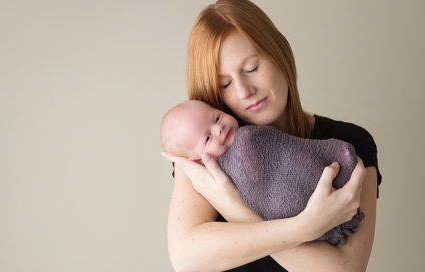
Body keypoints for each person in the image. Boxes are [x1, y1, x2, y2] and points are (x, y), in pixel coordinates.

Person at [161, 0, 382, 271]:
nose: (244, 92)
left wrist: (234, 209)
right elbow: (186, 257)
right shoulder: (206, 152)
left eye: (252, 68)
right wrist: (305, 227)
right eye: (225, 84)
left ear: (280, 52)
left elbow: (345, 269)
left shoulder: (351, 142)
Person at [160, 99, 365, 247]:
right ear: (197, 160)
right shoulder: (200, 178)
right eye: (207, 138)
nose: (219, 128)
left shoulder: (250, 137)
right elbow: (186, 260)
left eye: (217, 117)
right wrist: (306, 226)